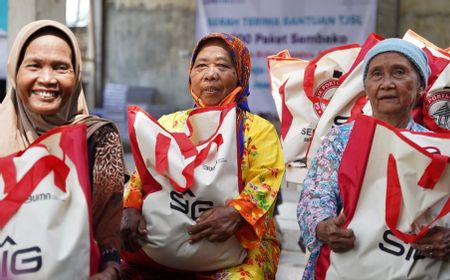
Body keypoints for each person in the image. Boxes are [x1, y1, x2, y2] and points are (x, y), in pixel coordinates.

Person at [121, 32, 285, 279]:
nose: (211, 74)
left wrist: (237, 214)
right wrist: (130, 207)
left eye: (222, 65)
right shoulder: (169, 124)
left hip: (238, 245)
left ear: (240, 74)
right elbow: (142, 175)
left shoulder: (258, 130)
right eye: (201, 66)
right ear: (191, 75)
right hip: (168, 237)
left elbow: (266, 182)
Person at [297, 38, 450, 279]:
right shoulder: (341, 138)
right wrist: (324, 225)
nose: (387, 83)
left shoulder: (436, 149)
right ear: (366, 88)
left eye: (399, 73)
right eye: (376, 75)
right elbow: (315, 195)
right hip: (345, 264)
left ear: (420, 86)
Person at [0, 20, 126, 279]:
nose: (47, 79)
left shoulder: (96, 136)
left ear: (76, 74)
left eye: (61, 68)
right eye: (34, 66)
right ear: (15, 71)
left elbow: (107, 228)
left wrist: (110, 271)